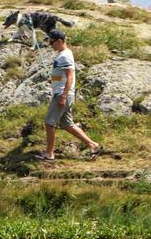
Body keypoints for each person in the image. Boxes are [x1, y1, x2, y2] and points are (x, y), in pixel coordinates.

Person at [35, 30, 102, 161]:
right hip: (63, 93)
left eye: (52, 42)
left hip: (62, 94)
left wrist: (63, 95)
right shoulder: (64, 54)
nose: (50, 45)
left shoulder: (64, 56)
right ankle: (93, 145)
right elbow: (64, 75)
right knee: (66, 124)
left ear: (59, 41)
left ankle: (49, 154)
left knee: (49, 123)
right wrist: (54, 79)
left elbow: (70, 76)